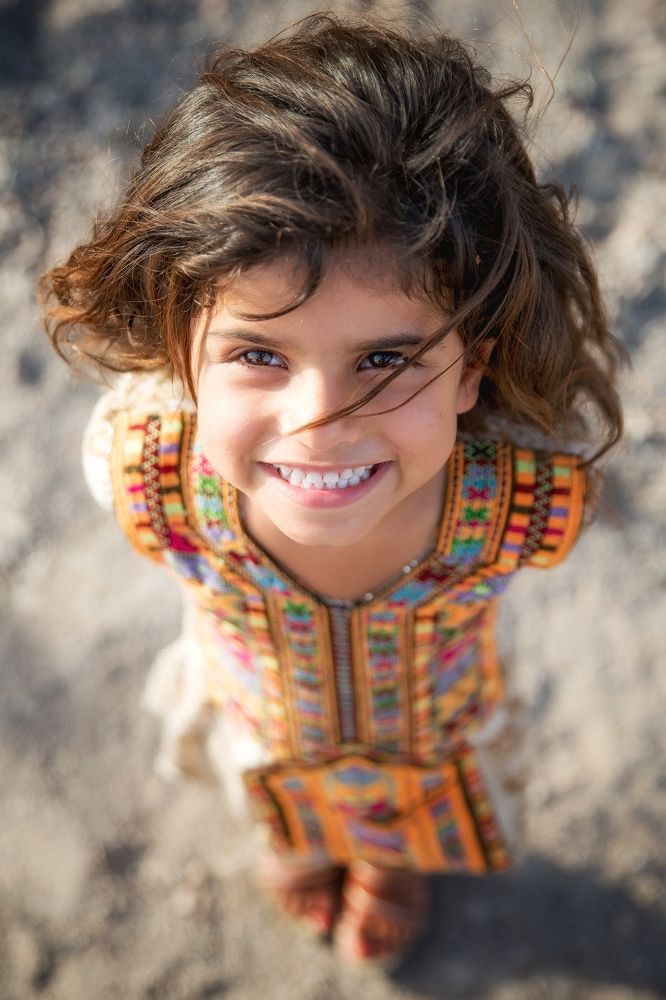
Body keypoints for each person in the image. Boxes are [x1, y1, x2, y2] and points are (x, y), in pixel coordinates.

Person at [41, 12, 624, 970]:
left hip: (431, 738)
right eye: (259, 352)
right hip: (261, 720)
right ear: (184, 360)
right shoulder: (145, 474)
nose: (322, 416)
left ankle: (391, 868)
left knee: (410, 822)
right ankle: (298, 843)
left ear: (471, 370)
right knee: (275, 798)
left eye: (386, 358)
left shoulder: (526, 507)